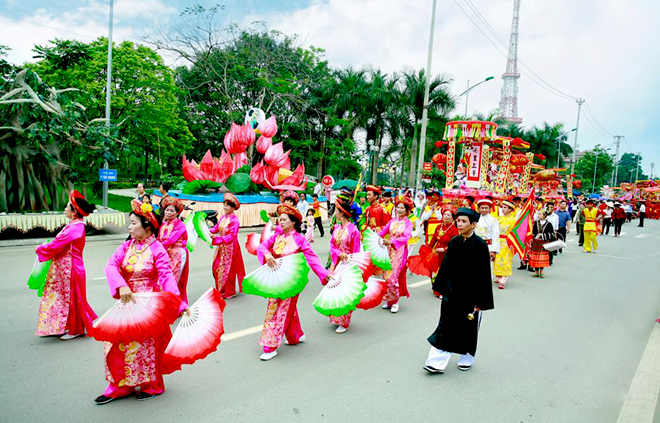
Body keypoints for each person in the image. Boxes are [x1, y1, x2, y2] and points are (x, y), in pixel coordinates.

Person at [95, 199, 188, 404]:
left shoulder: (157, 249)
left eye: (134, 223)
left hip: (147, 305)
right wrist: (121, 285)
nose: (129, 227)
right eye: (130, 222)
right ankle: (121, 385)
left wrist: (179, 304)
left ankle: (151, 385)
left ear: (147, 225)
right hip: (126, 301)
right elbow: (111, 265)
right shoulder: (127, 245)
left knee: (144, 346)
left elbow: (166, 277)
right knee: (117, 343)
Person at [424, 207, 494, 374]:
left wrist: (480, 302)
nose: (460, 224)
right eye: (458, 220)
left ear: (473, 224)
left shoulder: (480, 245)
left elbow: (484, 275)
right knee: (445, 325)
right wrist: (440, 287)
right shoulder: (454, 241)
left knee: (468, 328)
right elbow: (446, 268)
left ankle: (467, 356)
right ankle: (436, 362)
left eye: (464, 221)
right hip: (451, 292)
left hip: (471, 296)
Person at [256, 204, 331, 361]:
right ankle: (296, 335)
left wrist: (324, 274)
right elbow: (262, 246)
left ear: (293, 222)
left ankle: (270, 345)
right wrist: (267, 254)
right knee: (286, 307)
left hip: (291, 281)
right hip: (276, 279)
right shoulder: (277, 237)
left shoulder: (300, 239)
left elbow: (312, 258)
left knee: (277, 309)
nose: (280, 222)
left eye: (284, 220)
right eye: (279, 220)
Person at [35, 190, 98, 340]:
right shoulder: (75, 225)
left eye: (66, 206)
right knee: (65, 298)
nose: (64, 209)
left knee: (72, 299)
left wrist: (40, 249)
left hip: (71, 269)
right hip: (66, 268)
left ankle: (76, 329)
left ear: (74, 211)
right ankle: (61, 325)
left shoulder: (75, 228)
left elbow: (56, 245)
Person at [328, 197, 362, 333]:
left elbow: (356, 251)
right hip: (336, 264)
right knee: (335, 291)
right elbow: (331, 245)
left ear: (342, 213)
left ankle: (344, 321)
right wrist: (338, 253)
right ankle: (336, 317)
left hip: (347, 265)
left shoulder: (354, 231)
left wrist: (350, 261)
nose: (334, 213)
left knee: (344, 293)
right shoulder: (336, 228)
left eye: (336, 211)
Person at [378, 196, 413, 313]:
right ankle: (389, 301)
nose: (399, 209)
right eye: (397, 207)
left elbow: (406, 237)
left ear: (407, 210)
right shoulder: (392, 221)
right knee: (386, 277)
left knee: (394, 278)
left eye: (402, 208)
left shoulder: (408, 223)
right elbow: (383, 232)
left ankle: (395, 301)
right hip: (389, 251)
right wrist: (374, 236)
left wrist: (392, 241)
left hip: (400, 252)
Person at [210, 193, 245, 299]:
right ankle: (221, 289)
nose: (225, 207)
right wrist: (207, 231)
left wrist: (217, 239)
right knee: (216, 266)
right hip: (221, 246)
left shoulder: (235, 221)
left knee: (229, 269)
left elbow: (232, 236)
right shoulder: (222, 218)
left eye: (228, 205)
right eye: (224, 205)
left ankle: (229, 291)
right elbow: (216, 228)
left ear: (233, 208)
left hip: (231, 247)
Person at [157, 196, 189, 303]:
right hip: (166, 254)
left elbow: (171, 240)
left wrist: (156, 249)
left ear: (177, 213)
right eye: (167, 210)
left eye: (172, 210)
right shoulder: (164, 224)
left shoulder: (180, 225)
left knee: (173, 280)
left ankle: (175, 305)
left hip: (178, 253)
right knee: (163, 279)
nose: (169, 212)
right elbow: (159, 239)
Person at [427, 205, 459, 297]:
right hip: (436, 253)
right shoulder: (438, 226)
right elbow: (433, 239)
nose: (446, 216)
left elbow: (455, 245)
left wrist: (444, 249)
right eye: (445, 214)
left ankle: (442, 290)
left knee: (443, 273)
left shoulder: (454, 229)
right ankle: (436, 288)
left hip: (447, 254)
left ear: (453, 217)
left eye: (449, 215)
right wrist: (428, 249)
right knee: (433, 272)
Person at [493, 200, 517, 289]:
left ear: (510, 209)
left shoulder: (513, 220)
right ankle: (499, 276)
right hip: (498, 241)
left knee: (506, 261)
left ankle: (503, 281)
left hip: (507, 242)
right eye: (502, 207)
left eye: (505, 207)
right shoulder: (499, 218)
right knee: (497, 260)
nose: (502, 209)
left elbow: (516, 233)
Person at [529, 210, 554, 278]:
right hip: (536, 243)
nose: (538, 215)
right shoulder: (536, 223)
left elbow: (552, 234)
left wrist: (542, 235)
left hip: (544, 243)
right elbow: (533, 232)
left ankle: (541, 271)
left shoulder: (549, 224)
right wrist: (535, 235)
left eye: (540, 214)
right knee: (535, 257)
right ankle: (536, 271)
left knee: (542, 257)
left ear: (544, 215)